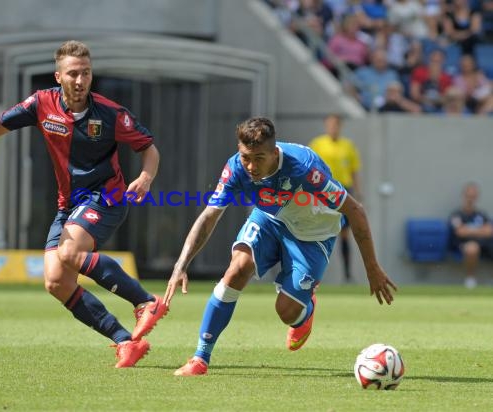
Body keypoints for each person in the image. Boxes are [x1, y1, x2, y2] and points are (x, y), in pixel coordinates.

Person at [0, 40, 168, 368]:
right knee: (56, 281)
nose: (80, 80)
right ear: (58, 77)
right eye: (73, 74)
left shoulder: (111, 114)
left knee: (69, 254)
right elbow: (1, 123)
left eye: (86, 73)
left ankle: (144, 301)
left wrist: (146, 178)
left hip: (106, 197)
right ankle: (125, 341)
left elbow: (149, 148)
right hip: (68, 206)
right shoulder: (42, 104)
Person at [164, 117, 397, 376]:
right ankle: (200, 358)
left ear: (274, 153)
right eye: (245, 157)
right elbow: (209, 216)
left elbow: (355, 211)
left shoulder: (305, 169)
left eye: (259, 158)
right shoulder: (235, 168)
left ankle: (305, 311)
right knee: (237, 270)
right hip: (270, 219)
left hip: (313, 233)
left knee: (287, 312)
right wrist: (180, 265)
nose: (251, 166)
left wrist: (372, 268)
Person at [309, 114, 362, 282]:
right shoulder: (317, 144)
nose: (333, 128)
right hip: (322, 192)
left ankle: (347, 275)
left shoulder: (348, 146)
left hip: (343, 191)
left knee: (344, 234)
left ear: (340, 126)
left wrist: (358, 192)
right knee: (316, 233)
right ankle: (311, 274)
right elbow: (308, 168)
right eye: (330, 125)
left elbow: (354, 170)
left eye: (336, 125)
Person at [449, 182, 493, 289]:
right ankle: (470, 279)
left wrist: (469, 229)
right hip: (462, 245)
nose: (470, 198)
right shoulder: (456, 214)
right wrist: (479, 230)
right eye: (468, 195)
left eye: (473, 196)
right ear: (464, 196)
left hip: (484, 245)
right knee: (472, 248)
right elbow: (460, 231)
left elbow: (489, 231)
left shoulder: (481, 214)